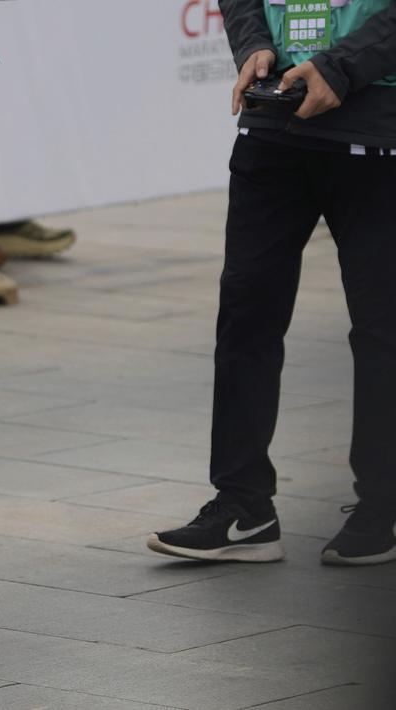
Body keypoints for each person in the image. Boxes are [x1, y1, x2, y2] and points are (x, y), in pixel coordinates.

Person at [150, 0, 396, 566]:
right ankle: (244, 506)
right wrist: (253, 45)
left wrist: (341, 66)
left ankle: (384, 503)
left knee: (382, 327)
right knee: (246, 315)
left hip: (376, 128)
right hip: (274, 121)